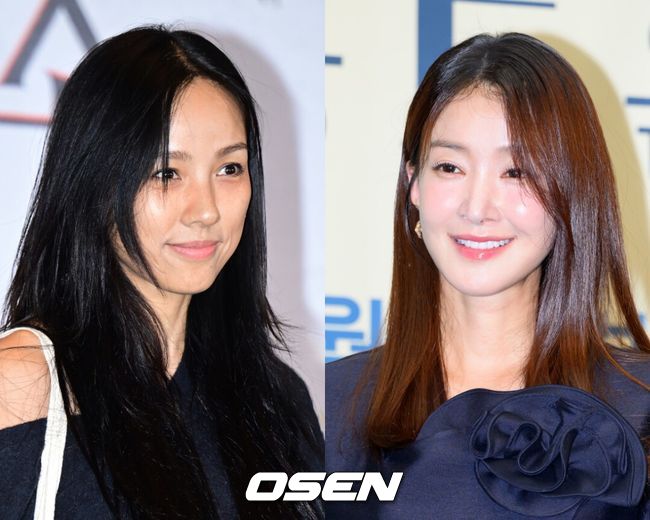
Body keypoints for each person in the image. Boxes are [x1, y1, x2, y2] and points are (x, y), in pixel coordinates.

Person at [0, 26, 323, 519]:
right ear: (94, 180)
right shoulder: (20, 383)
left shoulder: (277, 399)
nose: (206, 210)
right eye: (167, 173)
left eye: (229, 169)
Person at [326, 32, 650, 519]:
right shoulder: (326, 405)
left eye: (517, 172)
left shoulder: (641, 405)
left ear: (571, 190)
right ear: (413, 184)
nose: (477, 209)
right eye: (450, 167)